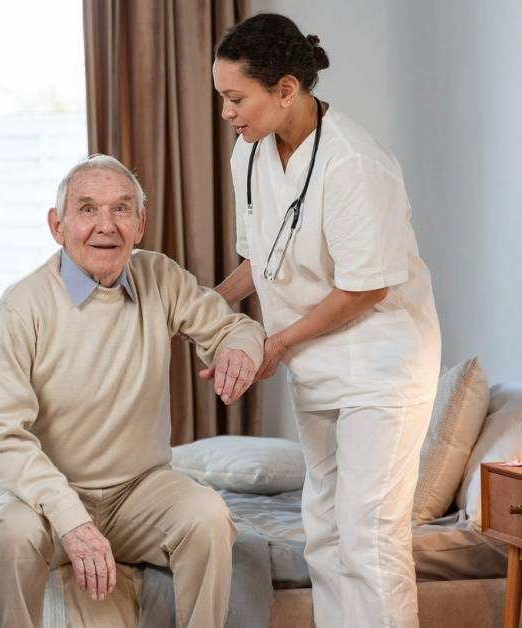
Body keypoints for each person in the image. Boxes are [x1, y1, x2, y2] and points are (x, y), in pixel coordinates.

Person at [210, 13, 441, 628]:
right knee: (324, 530)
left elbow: (365, 288)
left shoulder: (354, 163)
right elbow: (261, 257)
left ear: (286, 88)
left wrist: (275, 343)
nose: (228, 113)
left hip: (381, 366)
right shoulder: (250, 152)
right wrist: (207, 307)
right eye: (222, 99)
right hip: (315, 362)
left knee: (367, 533)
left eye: (236, 98)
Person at [0, 154, 266, 628]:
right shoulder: (21, 307)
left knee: (208, 515)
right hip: (47, 493)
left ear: (140, 223)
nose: (105, 225)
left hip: (138, 490)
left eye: (121, 209)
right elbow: (0, 438)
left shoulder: (160, 277)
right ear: (58, 225)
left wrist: (239, 349)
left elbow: (232, 327)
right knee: (12, 534)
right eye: (87, 209)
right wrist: (71, 519)